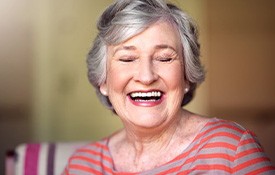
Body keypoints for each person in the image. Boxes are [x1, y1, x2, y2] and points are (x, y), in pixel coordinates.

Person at [63, 0, 275, 174]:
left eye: (164, 58)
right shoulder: (82, 165)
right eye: (127, 59)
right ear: (103, 82)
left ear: (186, 77)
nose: (146, 77)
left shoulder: (231, 150)